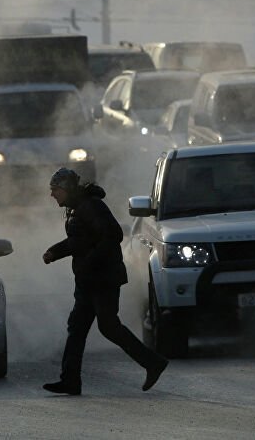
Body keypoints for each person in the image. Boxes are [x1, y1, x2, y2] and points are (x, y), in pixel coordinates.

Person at [42, 168, 168, 395]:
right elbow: (79, 241)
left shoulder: (91, 206)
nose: (52, 195)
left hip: (102, 279)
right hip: (88, 280)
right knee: (77, 328)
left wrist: (90, 262)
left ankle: (153, 363)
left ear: (67, 188)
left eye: (55, 190)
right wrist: (55, 251)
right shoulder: (76, 208)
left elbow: (113, 235)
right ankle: (70, 380)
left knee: (108, 326)